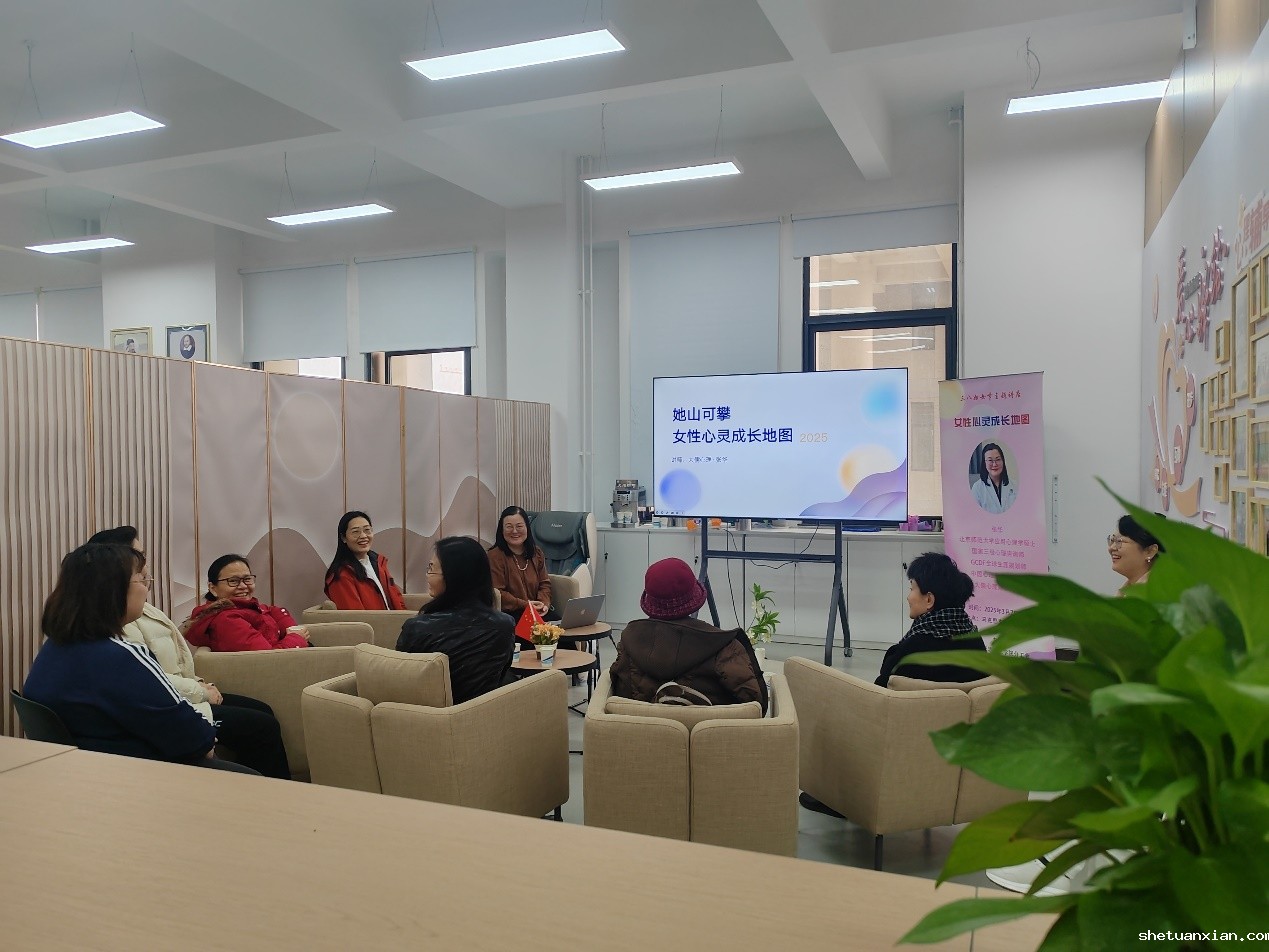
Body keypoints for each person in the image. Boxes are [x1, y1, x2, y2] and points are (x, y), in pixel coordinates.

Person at [22, 542, 256, 773]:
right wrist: (204, 737)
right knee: (253, 774)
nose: (147, 589)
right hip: (136, 776)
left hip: (83, 772)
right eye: (143, 579)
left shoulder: (54, 648)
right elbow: (194, 740)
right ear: (113, 589)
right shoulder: (120, 658)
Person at [88, 526, 292, 779]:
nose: (145, 563)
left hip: (182, 692)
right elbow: (146, 681)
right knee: (261, 726)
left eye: (247, 579)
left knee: (262, 710)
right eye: (138, 555)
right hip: (174, 703)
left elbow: (170, 663)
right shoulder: (118, 620)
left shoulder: (143, 608)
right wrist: (199, 692)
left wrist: (198, 683)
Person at [608, 557, 768, 712]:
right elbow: (755, 705)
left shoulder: (628, 643)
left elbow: (621, 695)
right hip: (711, 729)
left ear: (650, 602)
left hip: (644, 729)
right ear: (694, 598)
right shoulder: (725, 647)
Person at [396, 537, 515, 704]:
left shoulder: (417, 628)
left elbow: (401, 683)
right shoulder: (505, 625)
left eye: (431, 569)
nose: (427, 576)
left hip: (430, 716)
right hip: (485, 713)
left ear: (453, 577)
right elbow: (500, 674)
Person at [874, 552, 985, 687]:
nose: (908, 597)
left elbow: (881, 686)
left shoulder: (913, 650)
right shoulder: (975, 641)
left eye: (912, 589)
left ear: (929, 600)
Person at [182, 554, 309, 652]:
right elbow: (268, 658)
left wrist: (289, 630)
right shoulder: (226, 620)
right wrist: (296, 638)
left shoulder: (244, 608)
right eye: (233, 581)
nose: (243, 586)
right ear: (213, 588)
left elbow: (271, 610)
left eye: (247, 579)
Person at [487, 505, 558, 623]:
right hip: (511, 613)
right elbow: (498, 593)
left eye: (519, 526)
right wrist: (526, 605)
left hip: (537, 610)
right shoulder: (495, 556)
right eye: (509, 527)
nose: (514, 531)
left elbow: (544, 584)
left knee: (562, 628)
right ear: (502, 530)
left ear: (527, 528)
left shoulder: (536, 553)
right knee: (536, 633)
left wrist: (544, 603)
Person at [324, 511, 406, 610]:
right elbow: (356, 616)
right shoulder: (341, 575)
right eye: (356, 532)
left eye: (367, 530)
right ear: (343, 538)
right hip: (376, 621)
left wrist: (406, 617)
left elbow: (397, 598)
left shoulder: (378, 563)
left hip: (396, 619)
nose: (363, 536)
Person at [1108, 514, 1164, 591]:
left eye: (1120, 541)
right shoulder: (1127, 590)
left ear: (1150, 551)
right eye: (1112, 540)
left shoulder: (1156, 592)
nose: (1111, 548)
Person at [971, 442, 1017, 514]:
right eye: (990, 460)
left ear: (1003, 461)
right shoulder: (977, 488)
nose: (994, 464)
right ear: (984, 463)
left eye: (998, 459)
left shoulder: (1014, 485)